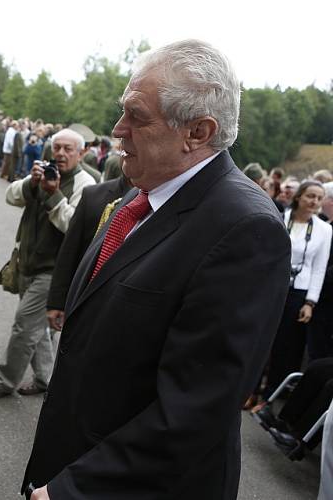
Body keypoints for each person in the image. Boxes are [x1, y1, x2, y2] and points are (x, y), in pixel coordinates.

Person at [22, 39, 291, 500]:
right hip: (69, 458)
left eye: (137, 116)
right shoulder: (139, 194)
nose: (117, 129)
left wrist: (73, 489)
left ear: (198, 132)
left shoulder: (245, 229)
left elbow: (195, 408)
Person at [0, 128, 95, 399]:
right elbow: (11, 195)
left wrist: (53, 195)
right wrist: (32, 183)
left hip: (54, 271)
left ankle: (4, 381)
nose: (61, 154)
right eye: (57, 148)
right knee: (37, 328)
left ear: (82, 152)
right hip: (27, 263)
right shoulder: (44, 172)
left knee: (24, 325)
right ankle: (45, 378)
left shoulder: (85, 184)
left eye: (68, 149)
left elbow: (73, 226)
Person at [262, 180, 332, 397]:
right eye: (310, 196)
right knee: (261, 339)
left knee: (286, 347)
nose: (315, 202)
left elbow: (319, 268)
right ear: (299, 196)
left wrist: (310, 302)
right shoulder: (279, 217)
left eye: (319, 198)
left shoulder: (324, 230)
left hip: (299, 292)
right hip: (271, 286)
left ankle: (270, 395)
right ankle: (250, 390)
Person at [46, 170, 133, 332]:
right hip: (84, 299)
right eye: (124, 145)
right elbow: (69, 251)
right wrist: (56, 302)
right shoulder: (93, 195)